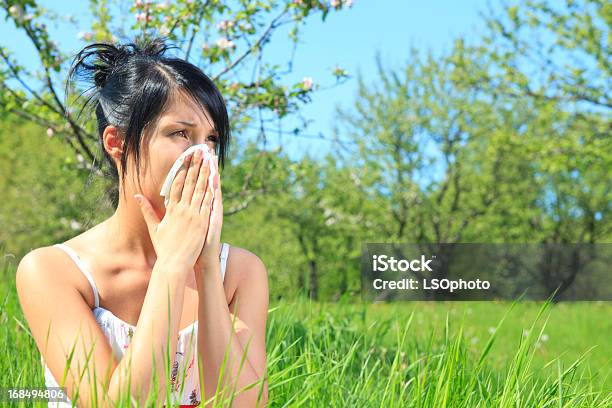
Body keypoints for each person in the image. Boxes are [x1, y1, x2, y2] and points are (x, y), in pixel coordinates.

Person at [15, 38, 269, 407]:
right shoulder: (51, 271)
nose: (202, 154)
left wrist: (207, 269)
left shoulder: (241, 272)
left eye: (211, 139)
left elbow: (244, 404)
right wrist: (171, 266)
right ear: (116, 143)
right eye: (180, 133)